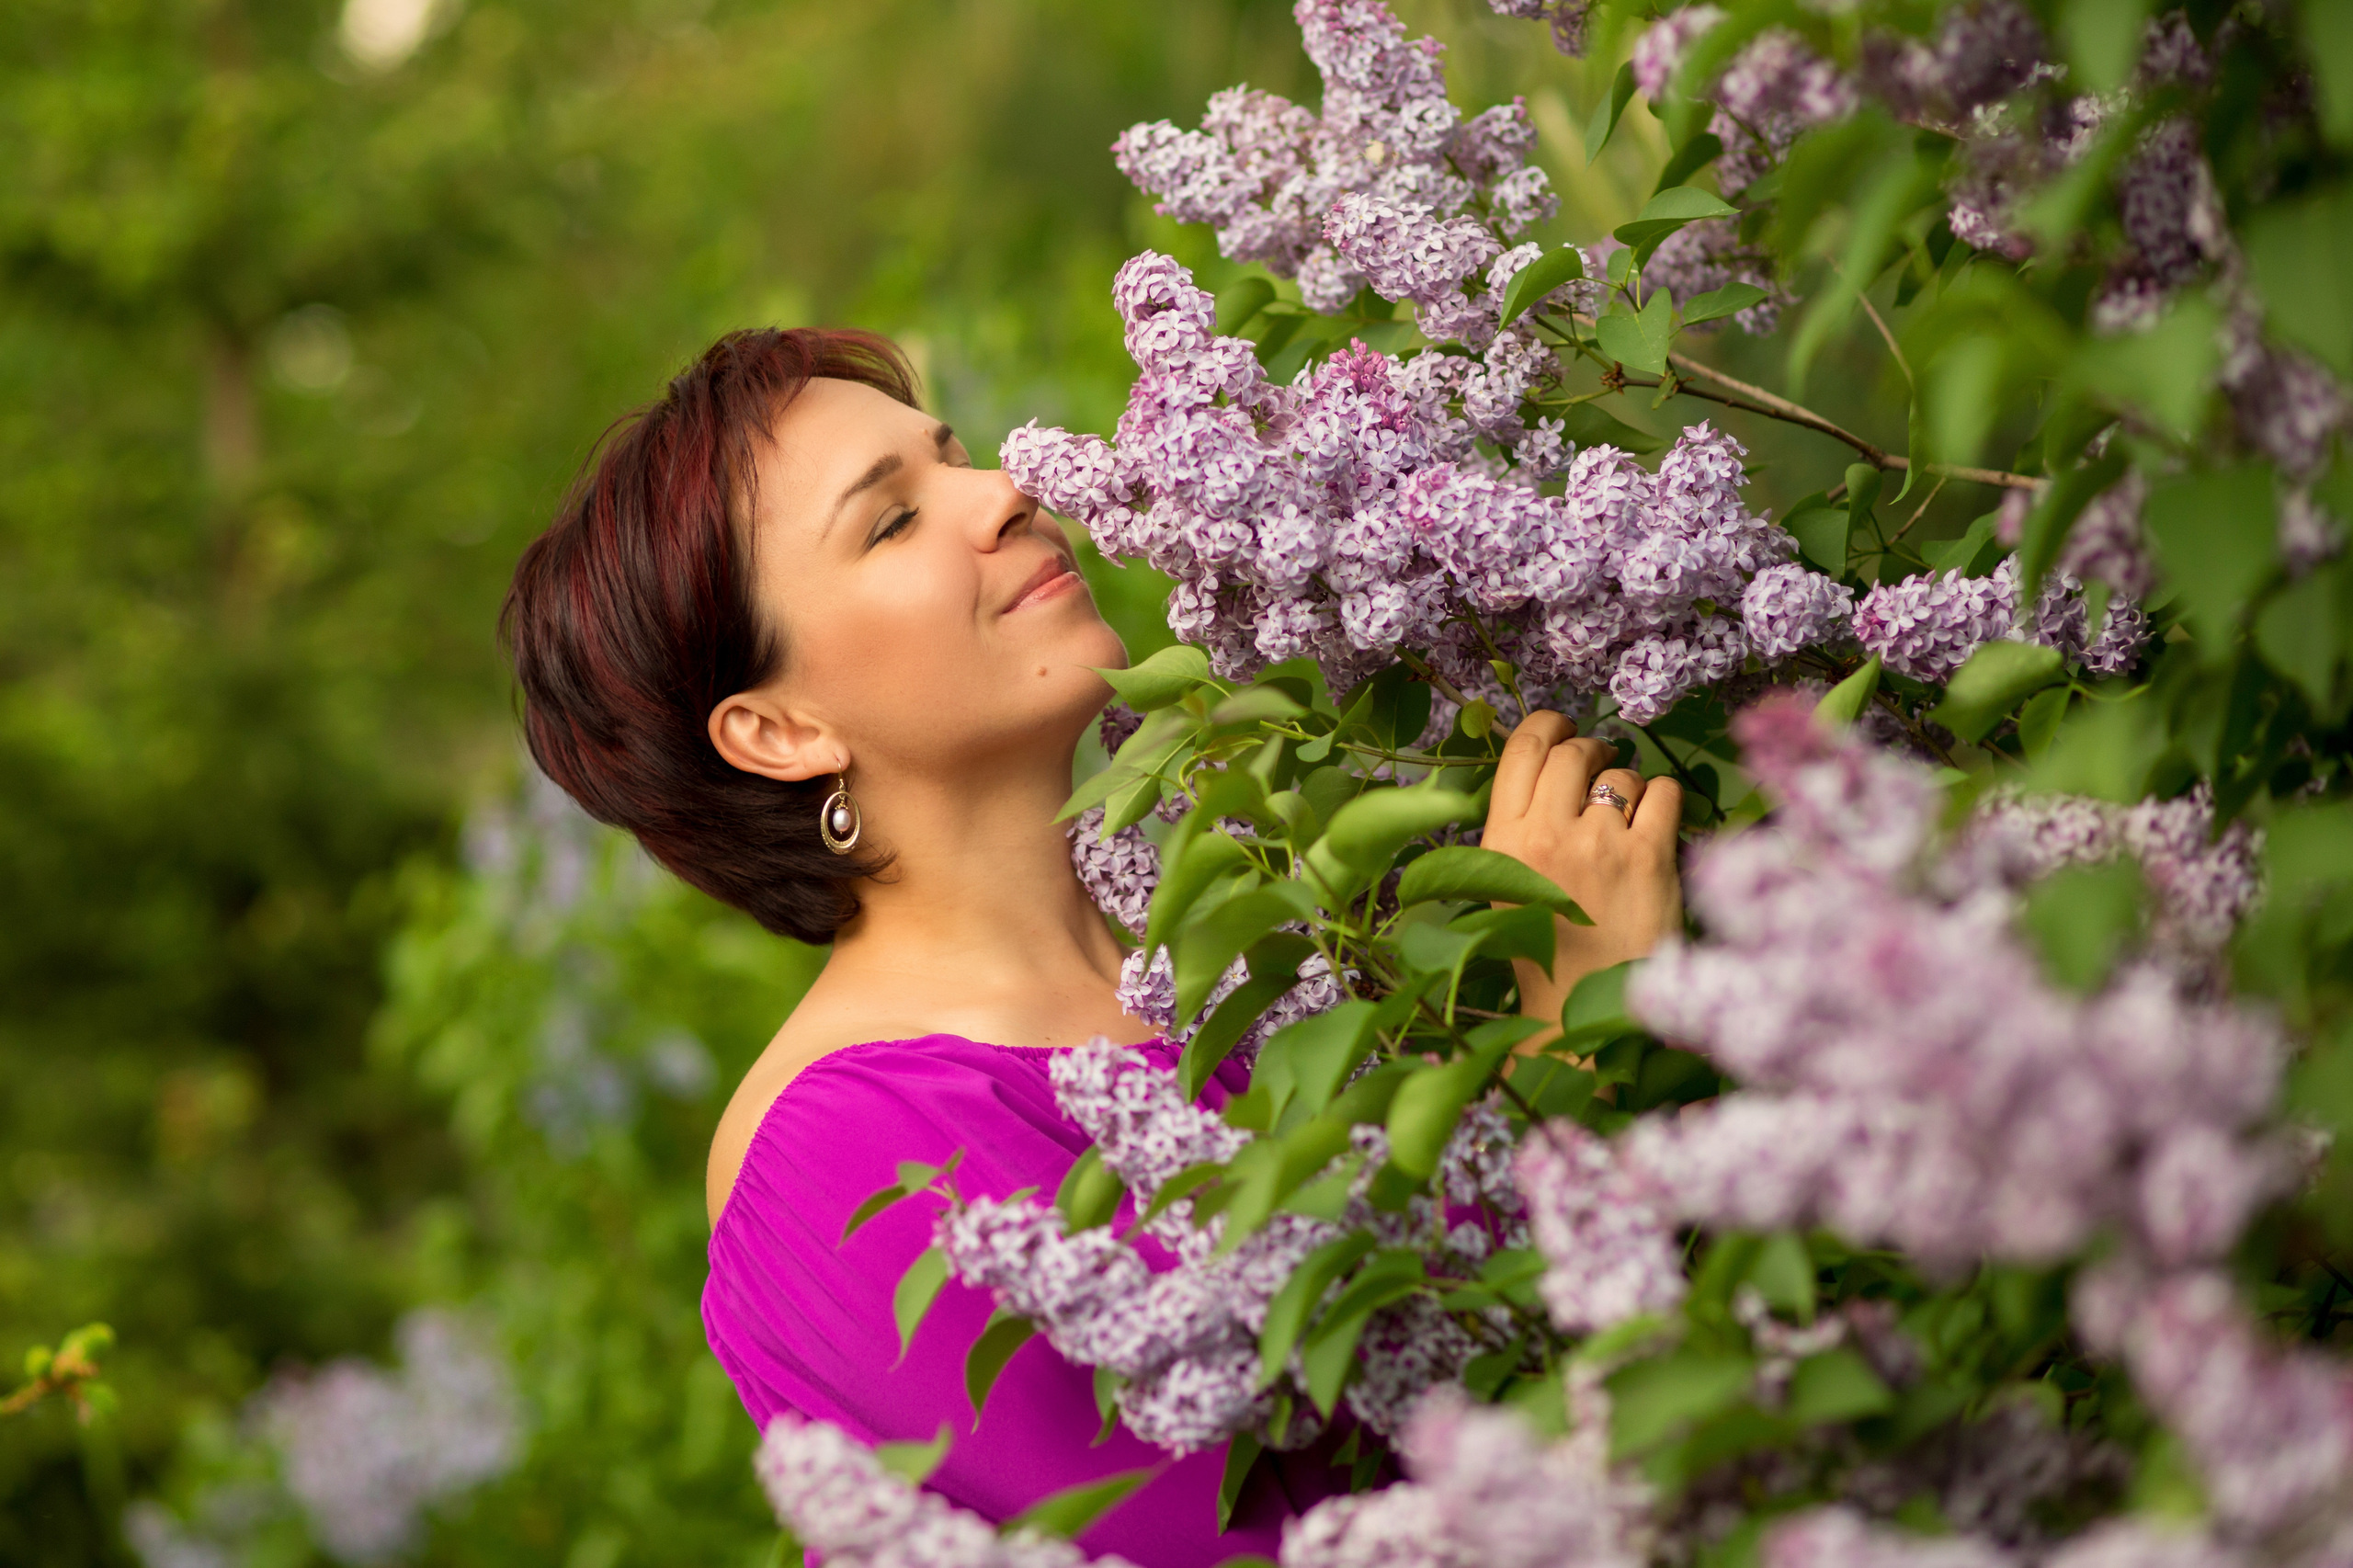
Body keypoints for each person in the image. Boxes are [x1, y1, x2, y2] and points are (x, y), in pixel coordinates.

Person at [501, 327, 1685, 1566]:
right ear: (780, 730)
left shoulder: (1264, 955)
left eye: (955, 455)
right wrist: (1572, 1043)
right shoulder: (836, 1161)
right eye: (891, 521)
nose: (1005, 491)